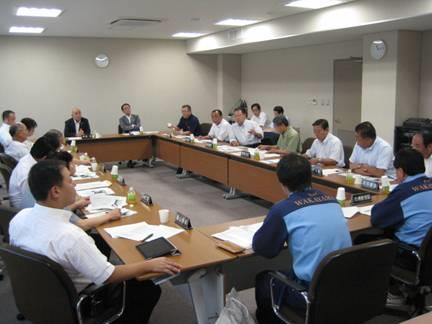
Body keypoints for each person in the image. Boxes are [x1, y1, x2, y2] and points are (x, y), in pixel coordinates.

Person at [9, 159, 181, 323]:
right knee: (149, 288)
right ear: (55, 191)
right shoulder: (70, 236)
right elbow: (109, 276)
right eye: (70, 181)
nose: (74, 184)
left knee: (100, 241)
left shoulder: (19, 218)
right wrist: (149, 265)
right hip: (85, 297)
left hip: (40, 293)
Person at [252, 154, 352, 323]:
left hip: (313, 291)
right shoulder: (332, 201)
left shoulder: (283, 209)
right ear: (310, 176)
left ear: (281, 182)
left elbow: (264, 249)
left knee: (263, 279)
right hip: (344, 282)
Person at [371, 148, 432, 247]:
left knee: (361, 239)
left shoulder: (404, 191)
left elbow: (376, 218)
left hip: (408, 251)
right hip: (427, 252)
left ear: (401, 171)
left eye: (396, 171)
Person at [9, 136, 57, 208]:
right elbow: (30, 204)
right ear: (44, 157)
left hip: (28, 202)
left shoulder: (28, 158)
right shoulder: (28, 173)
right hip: (25, 209)